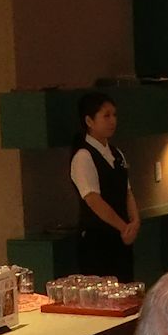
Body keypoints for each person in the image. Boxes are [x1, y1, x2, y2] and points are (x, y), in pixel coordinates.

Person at [69, 90, 140, 279]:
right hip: (97, 239)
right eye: (106, 116)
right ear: (89, 121)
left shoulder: (117, 153)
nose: (112, 121)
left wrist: (135, 221)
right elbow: (93, 200)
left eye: (114, 115)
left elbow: (127, 191)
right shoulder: (84, 156)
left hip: (121, 237)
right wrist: (123, 227)